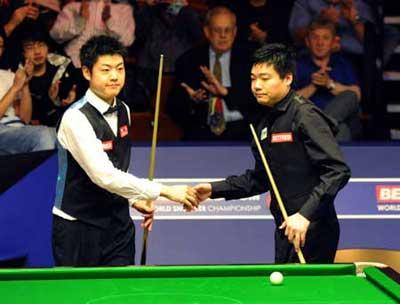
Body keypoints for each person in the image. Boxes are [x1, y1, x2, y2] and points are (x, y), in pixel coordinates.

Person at [195, 43, 351, 263]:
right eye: (253, 78)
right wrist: (213, 189)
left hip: (312, 228)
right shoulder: (266, 122)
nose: (257, 85)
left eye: (265, 78)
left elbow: (338, 170)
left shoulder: (304, 115)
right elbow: (260, 179)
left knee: (306, 297)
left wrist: (305, 215)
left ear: (287, 79)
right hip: (286, 226)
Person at [53, 35, 199, 267]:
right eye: (106, 70)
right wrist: (164, 191)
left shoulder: (124, 111)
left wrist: (133, 199)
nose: (114, 76)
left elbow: (119, 164)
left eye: (120, 69)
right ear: (87, 73)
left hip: (118, 225)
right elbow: (104, 175)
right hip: (79, 226)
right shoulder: (75, 118)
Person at [167, 6, 262, 141]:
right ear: (207, 32)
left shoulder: (251, 59)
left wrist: (227, 94)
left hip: (243, 132)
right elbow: (172, 107)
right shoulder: (188, 61)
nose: (223, 35)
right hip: (201, 133)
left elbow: (259, 101)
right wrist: (191, 100)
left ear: (235, 32)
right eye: (217, 30)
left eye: (227, 30)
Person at [294, 19, 361, 141]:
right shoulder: (297, 66)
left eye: (325, 38)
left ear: (334, 42)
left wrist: (329, 84)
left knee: (350, 97)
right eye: (315, 38)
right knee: (342, 130)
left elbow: (356, 96)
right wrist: (313, 86)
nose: (320, 43)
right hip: (307, 121)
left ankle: (321, 128)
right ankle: (323, 129)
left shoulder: (342, 64)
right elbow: (288, 101)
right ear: (307, 41)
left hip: (319, 129)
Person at [0, 33, 56, 155]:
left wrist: (24, 84)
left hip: (18, 129)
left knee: (61, 135)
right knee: (43, 134)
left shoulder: (9, 75)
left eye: (0, 46)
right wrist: (15, 88)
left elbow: (25, 119)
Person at [21, 26, 82, 126]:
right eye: (30, 47)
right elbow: (26, 119)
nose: (37, 52)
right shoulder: (18, 74)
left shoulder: (62, 64)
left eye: (41, 45)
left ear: (47, 47)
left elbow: (76, 89)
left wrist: (73, 95)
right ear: (23, 53)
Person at [50, 0, 135, 68]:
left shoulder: (123, 10)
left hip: (106, 67)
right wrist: (79, 21)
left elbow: (127, 40)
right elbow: (55, 35)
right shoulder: (73, 7)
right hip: (73, 64)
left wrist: (110, 22)